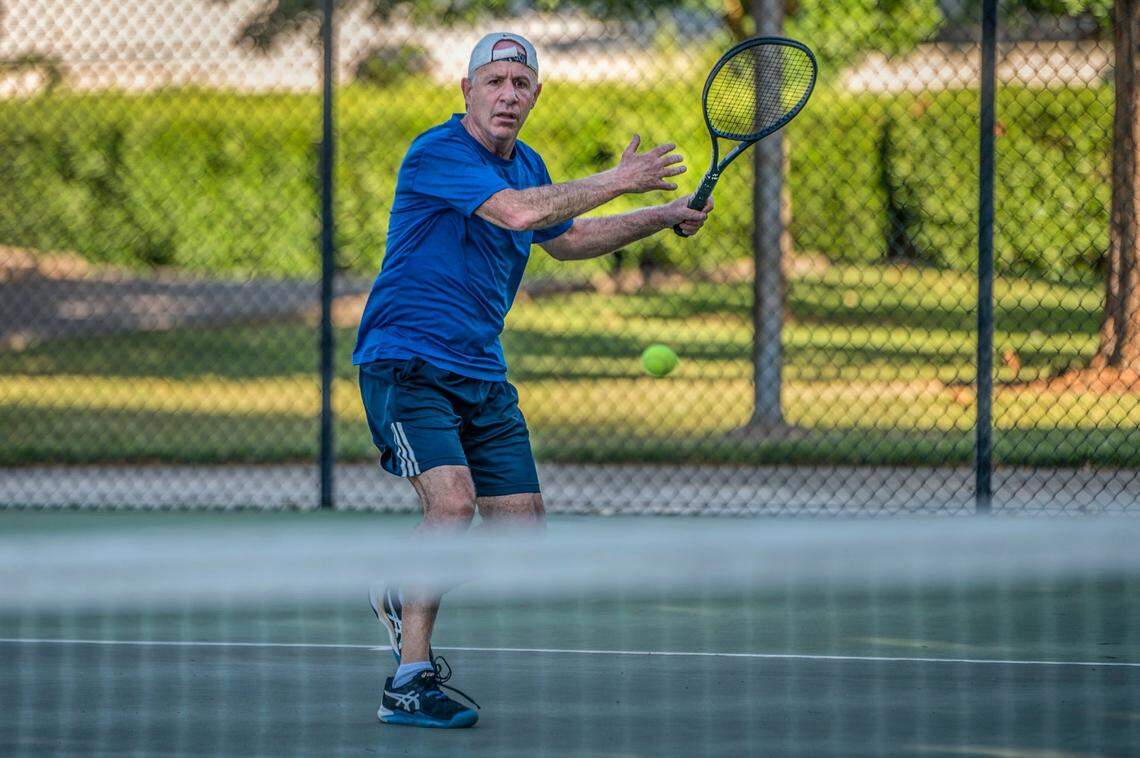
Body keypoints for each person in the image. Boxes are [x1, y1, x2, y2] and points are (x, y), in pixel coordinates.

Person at [354, 31, 713, 729]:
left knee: (522, 541)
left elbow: (566, 237)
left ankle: (401, 588)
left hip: (482, 373)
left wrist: (660, 216)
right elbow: (518, 214)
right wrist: (619, 178)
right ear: (467, 91)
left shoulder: (532, 166)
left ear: (536, 96)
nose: (508, 95)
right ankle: (408, 679)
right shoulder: (436, 153)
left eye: (521, 84)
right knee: (451, 509)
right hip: (408, 361)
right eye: (495, 81)